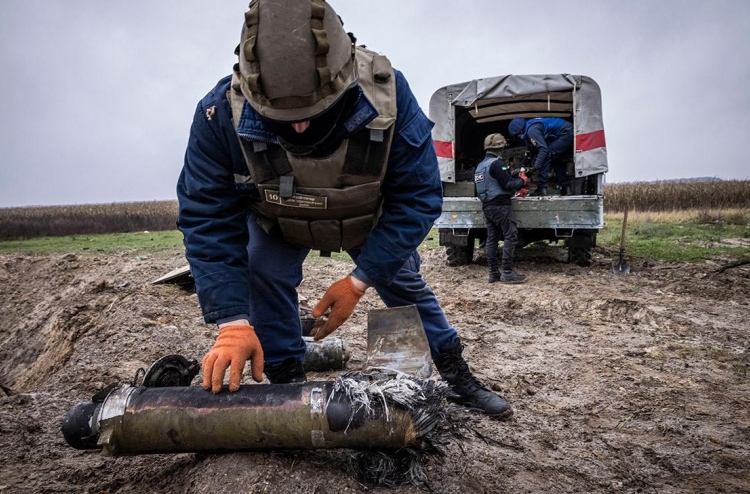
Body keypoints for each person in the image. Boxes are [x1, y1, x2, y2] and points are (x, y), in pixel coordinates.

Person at [176, 0, 511, 417]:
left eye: (313, 113)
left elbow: (418, 196)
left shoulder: (387, 95)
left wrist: (359, 280)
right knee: (261, 266)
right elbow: (206, 214)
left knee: (403, 282)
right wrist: (231, 321)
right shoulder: (219, 113)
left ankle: (456, 374)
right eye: (283, 117)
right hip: (277, 220)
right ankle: (286, 381)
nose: (299, 126)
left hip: (367, 217)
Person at [474, 134, 528, 284]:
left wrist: (511, 175)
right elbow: (506, 185)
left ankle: (493, 273)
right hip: (500, 206)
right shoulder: (497, 163)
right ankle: (508, 272)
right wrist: (521, 181)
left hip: (487, 206)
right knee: (510, 235)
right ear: (502, 147)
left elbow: (494, 180)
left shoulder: (480, 166)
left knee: (492, 238)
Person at [508, 117, 574, 196]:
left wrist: (535, 168)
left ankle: (542, 188)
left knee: (546, 155)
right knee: (555, 160)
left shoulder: (531, 130)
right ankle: (566, 187)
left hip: (566, 133)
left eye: (517, 135)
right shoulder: (530, 129)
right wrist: (521, 166)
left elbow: (543, 150)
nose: (518, 138)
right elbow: (532, 152)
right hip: (567, 131)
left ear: (520, 131)